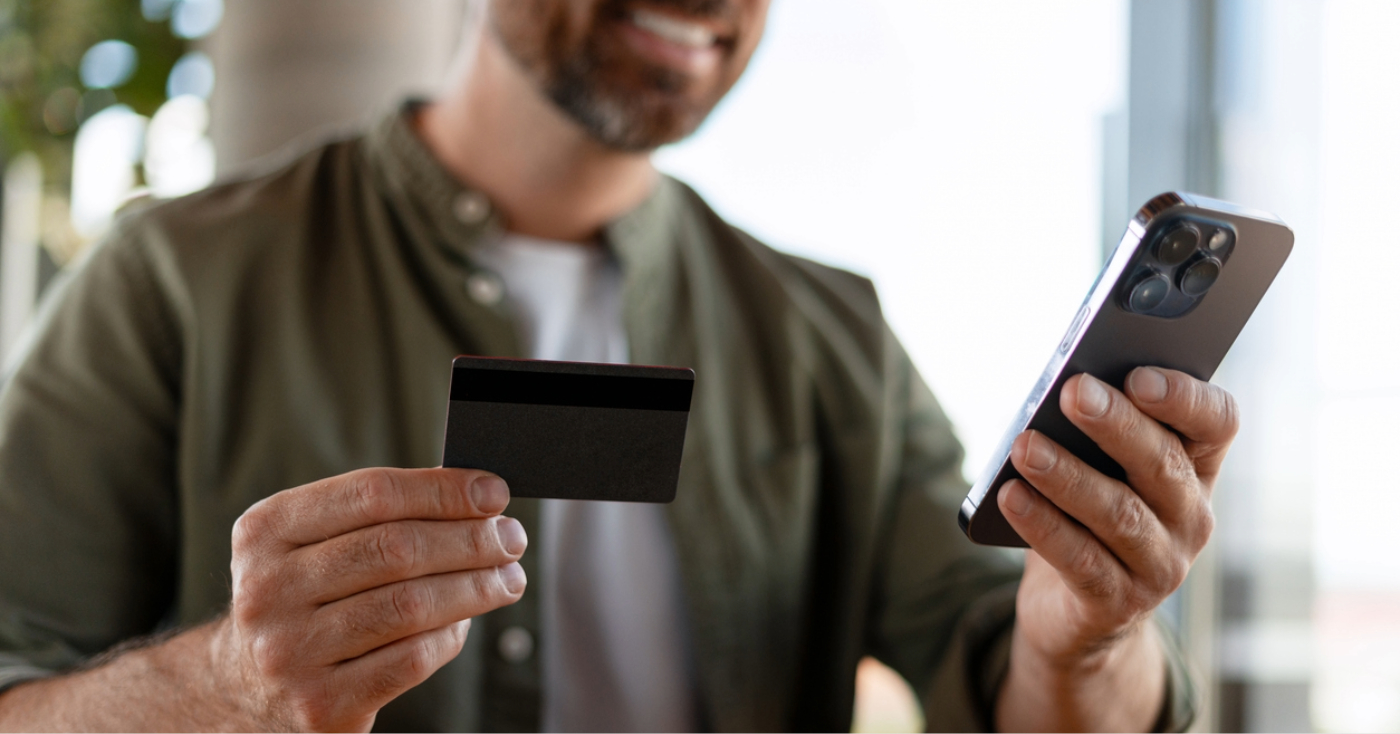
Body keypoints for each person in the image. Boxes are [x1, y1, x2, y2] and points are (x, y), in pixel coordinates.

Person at [0, 1, 1231, 731]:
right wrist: (219, 688)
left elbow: (1001, 683)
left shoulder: (829, 333)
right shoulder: (175, 280)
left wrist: (1085, 640)